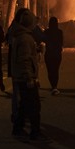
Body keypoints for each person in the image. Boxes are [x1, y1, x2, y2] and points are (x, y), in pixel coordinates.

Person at [11, 9, 50, 142]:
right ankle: (35, 133)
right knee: (34, 106)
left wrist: (37, 49)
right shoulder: (26, 38)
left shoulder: (22, 36)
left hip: (21, 76)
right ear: (29, 23)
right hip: (26, 77)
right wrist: (29, 78)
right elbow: (25, 59)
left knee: (25, 104)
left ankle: (17, 129)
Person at [44, 16, 64, 95]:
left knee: (50, 70)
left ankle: (53, 86)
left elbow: (44, 40)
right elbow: (61, 42)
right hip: (57, 54)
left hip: (49, 53)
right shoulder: (60, 32)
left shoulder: (46, 31)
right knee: (55, 70)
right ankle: (54, 87)